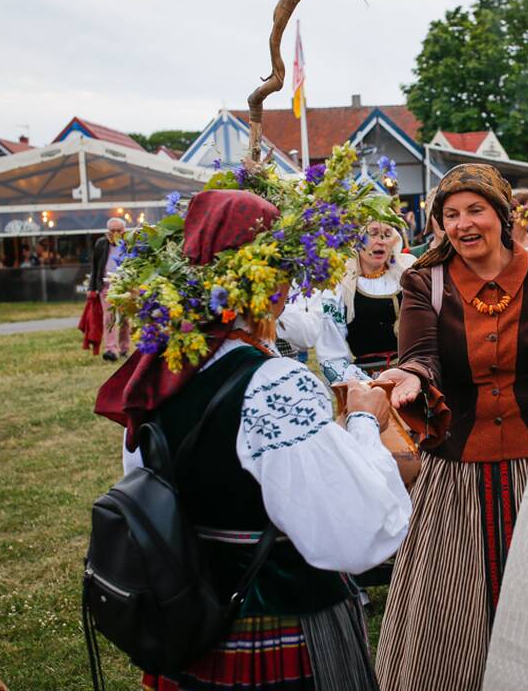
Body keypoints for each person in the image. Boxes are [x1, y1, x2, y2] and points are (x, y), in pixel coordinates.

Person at [97, 189, 411, 691]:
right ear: (272, 286)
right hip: (272, 624)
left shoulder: (161, 371)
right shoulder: (271, 382)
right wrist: (363, 421)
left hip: (191, 619)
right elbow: (352, 533)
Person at [373, 164, 528, 691]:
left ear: (501, 215)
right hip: (457, 469)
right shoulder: (424, 281)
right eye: (450, 215)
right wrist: (408, 375)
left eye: (475, 210)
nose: (463, 224)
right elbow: (421, 355)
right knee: (452, 604)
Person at [321, 220, 415, 375]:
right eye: (373, 233)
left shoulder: (407, 272)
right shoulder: (341, 285)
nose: (381, 241)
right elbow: (332, 349)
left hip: (410, 375)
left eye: (387, 234)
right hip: (366, 379)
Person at [89, 218, 130, 362]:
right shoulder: (101, 244)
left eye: (119, 230)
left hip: (126, 285)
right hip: (106, 286)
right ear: (107, 232)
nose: (116, 233)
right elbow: (95, 266)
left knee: (124, 318)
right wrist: (92, 287)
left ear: (124, 231)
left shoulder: (130, 243)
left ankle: (124, 347)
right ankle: (111, 350)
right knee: (109, 317)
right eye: (112, 231)